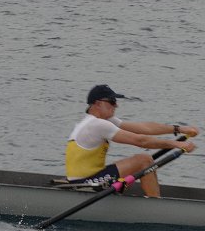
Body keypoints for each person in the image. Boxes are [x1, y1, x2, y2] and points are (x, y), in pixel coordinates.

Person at [65, 84, 197, 197]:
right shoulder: (97, 125)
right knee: (144, 161)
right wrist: (176, 144)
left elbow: (145, 128)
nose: (116, 105)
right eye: (112, 101)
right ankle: (155, 206)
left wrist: (179, 129)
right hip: (85, 183)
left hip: (92, 177)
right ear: (98, 104)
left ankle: (150, 199)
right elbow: (141, 141)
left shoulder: (99, 121)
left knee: (142, 161)